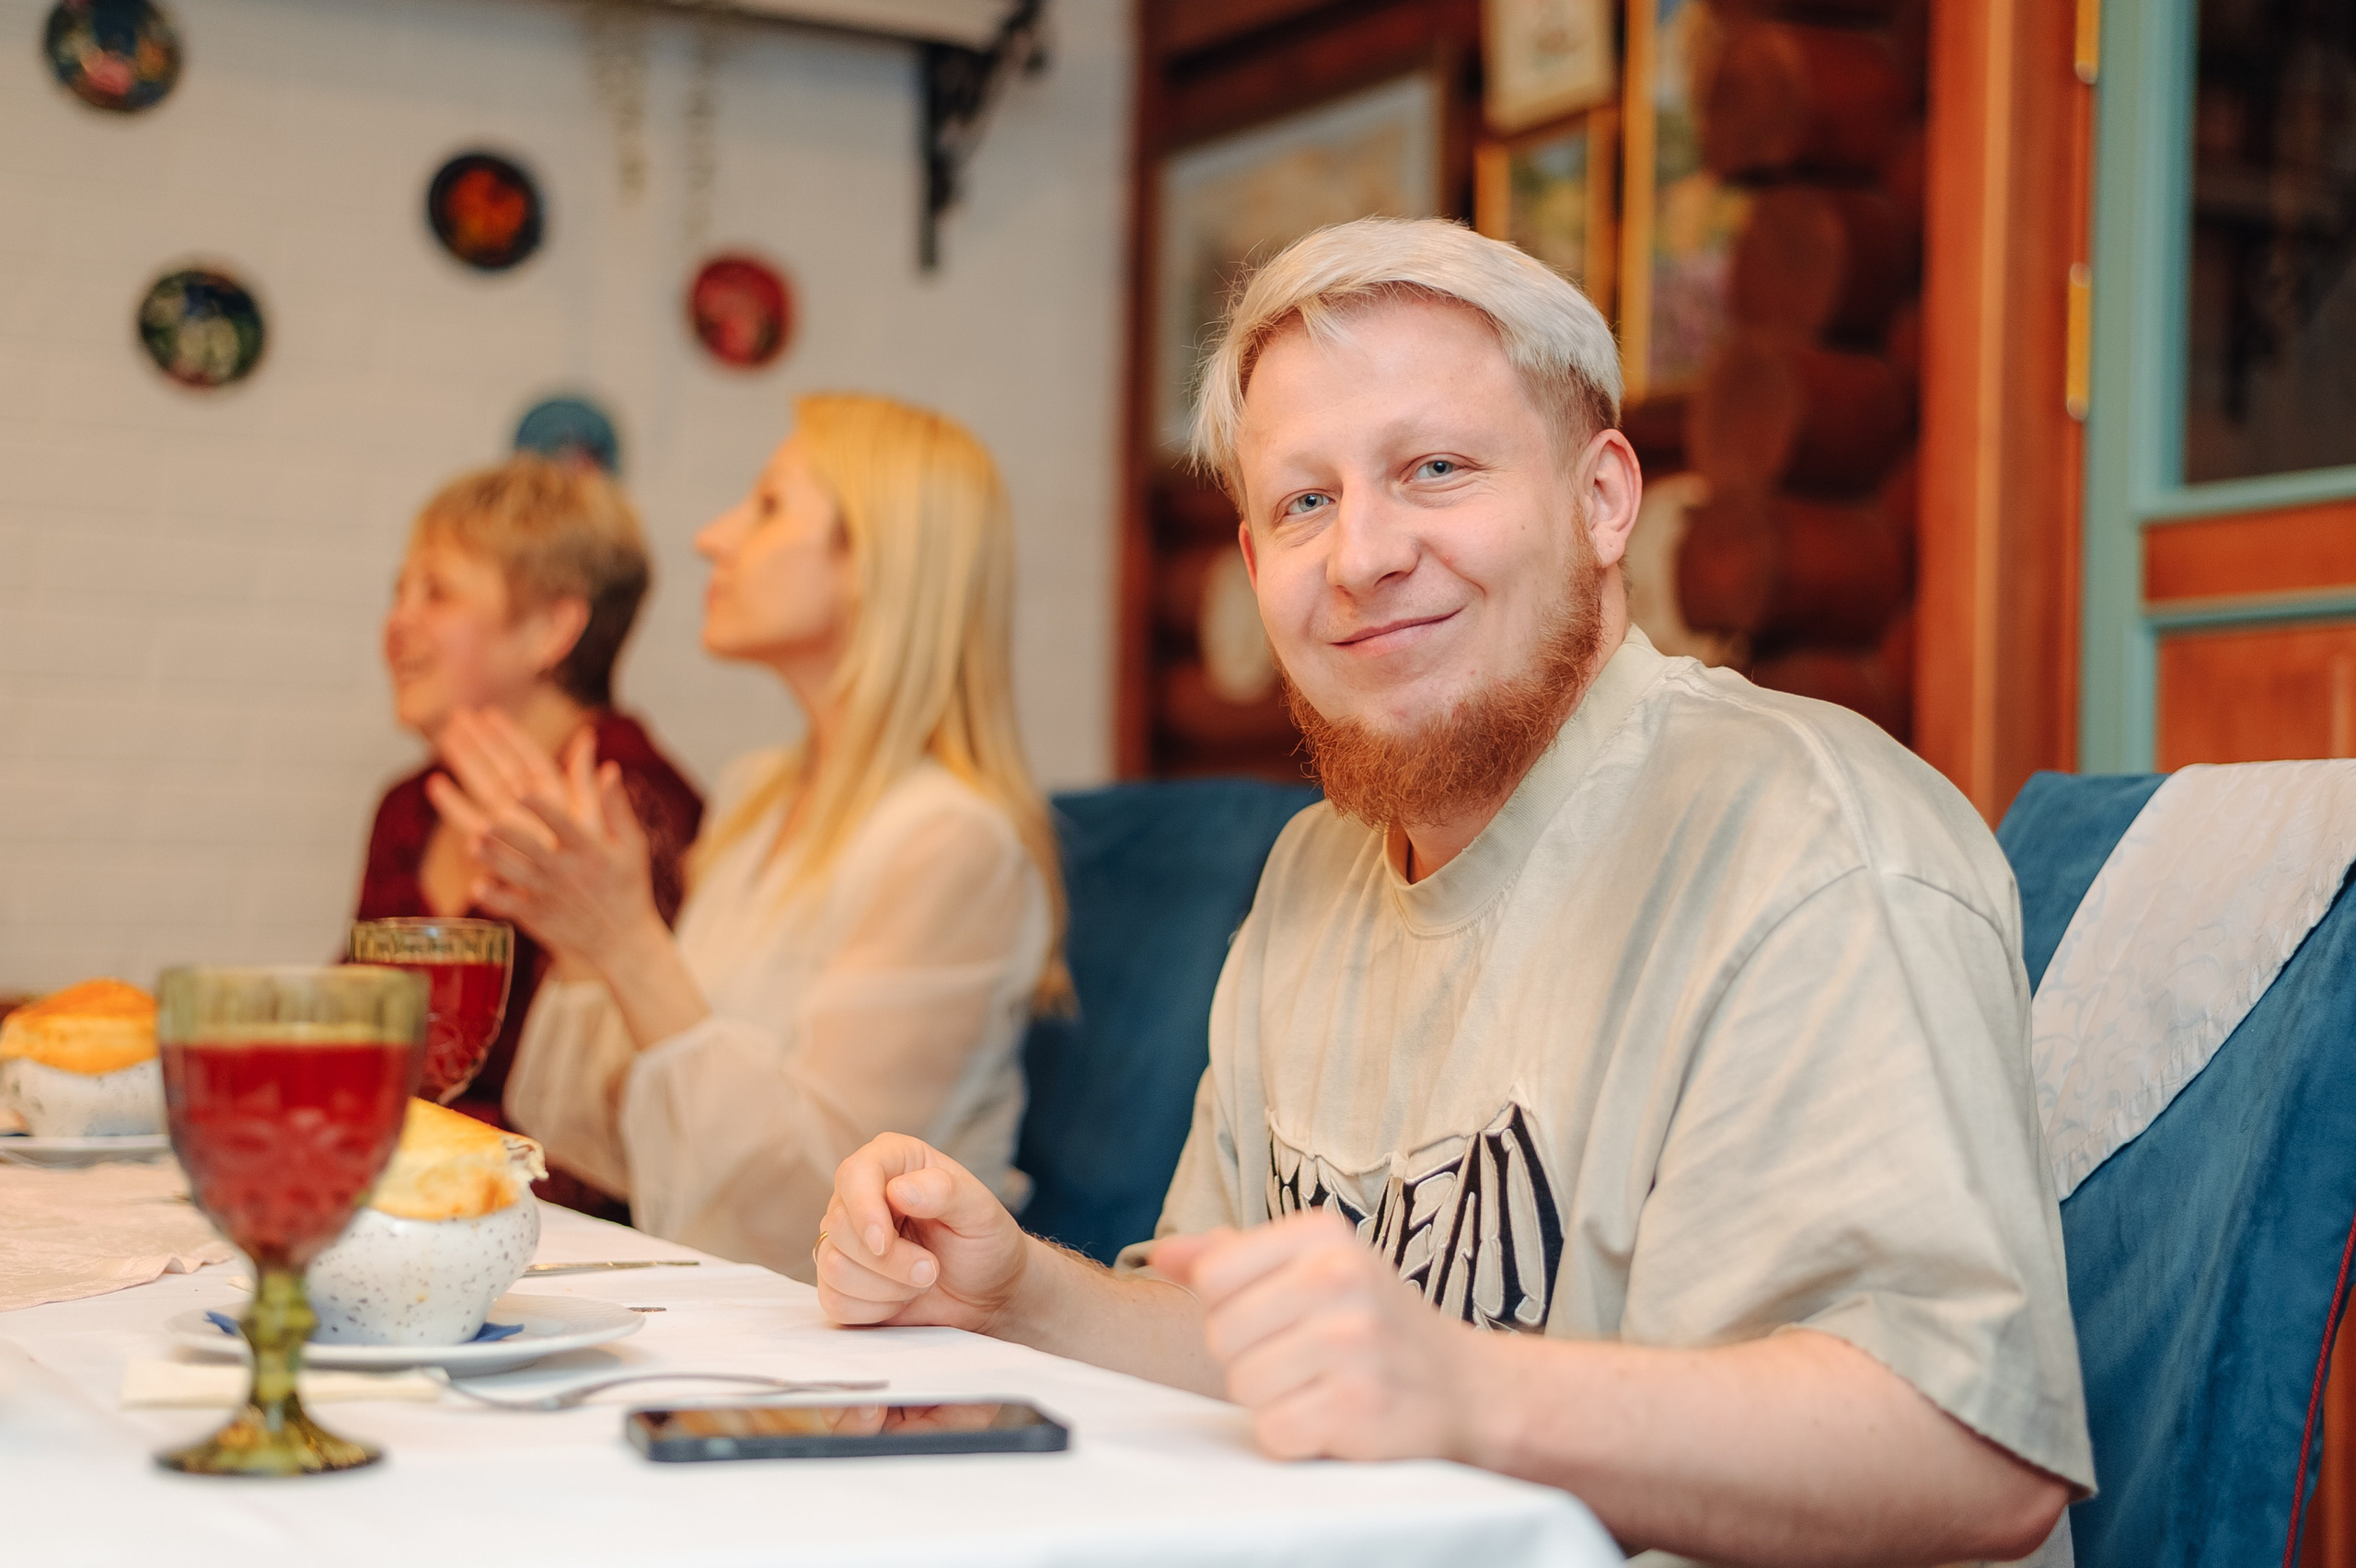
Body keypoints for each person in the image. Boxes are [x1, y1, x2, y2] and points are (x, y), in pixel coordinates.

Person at [810, 221, 2092, 1568]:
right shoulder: (1315, 873)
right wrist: (1016, 1295)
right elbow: (1257, 1348)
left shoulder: (1812, 841)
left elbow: (1972, 1452)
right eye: (1303, 502)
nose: (1363, 555)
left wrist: (1465, 1392)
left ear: (1603, 501)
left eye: (1435, 468)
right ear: (1256, 571)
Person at [429, 394, 1064, 1284]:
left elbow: (831, 1214)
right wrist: (585, 951)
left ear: (873, 564)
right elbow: (626, 1151)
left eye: (768, 509)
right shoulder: (755, 800)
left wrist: (628, 942)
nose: (712, 537)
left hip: (870, 1369)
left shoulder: (950, 843)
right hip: (718, 1319)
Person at [361, 455, 702, 1218]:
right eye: (399, 592)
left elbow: (634, 1133)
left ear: (552, 627)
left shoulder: (636, 808)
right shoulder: (407, 809)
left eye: (437, 592)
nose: (396, 624)